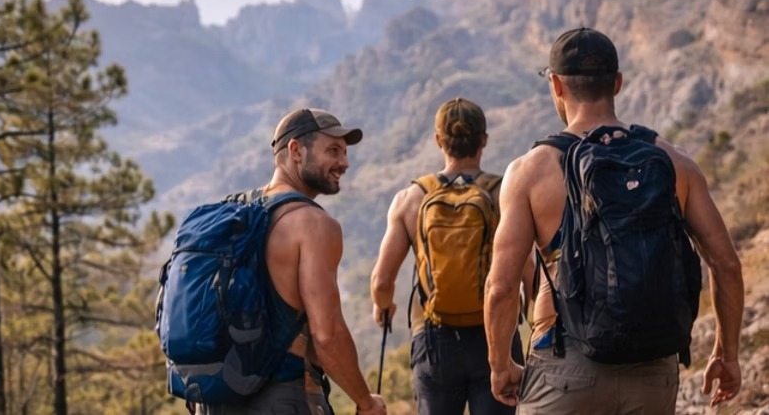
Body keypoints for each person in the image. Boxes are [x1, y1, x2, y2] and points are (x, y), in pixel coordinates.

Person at [483, 27, 744, 414]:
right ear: (617, 83)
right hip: (653, 369)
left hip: (565, 368)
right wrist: (727, 352)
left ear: (556, 85)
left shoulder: (529, 172)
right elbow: (726, 265)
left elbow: (501, 288)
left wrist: (500, 365)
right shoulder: (675, 163)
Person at [200, 108, 386, 415]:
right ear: (296, 151)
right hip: (282, 396)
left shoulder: (231, 213)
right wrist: (366, 401)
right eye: (334, 151)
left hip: (216, 399)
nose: (344, 163)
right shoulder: (314, 224)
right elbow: (327, 335)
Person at [370, 98, 531, 415]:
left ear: (438, 141)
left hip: (435, 340)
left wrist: (383, 305)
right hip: (496, 334)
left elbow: (381, 280)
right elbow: (530, 273)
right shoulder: (505, 195)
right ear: (483, 140)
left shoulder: (410, 199)